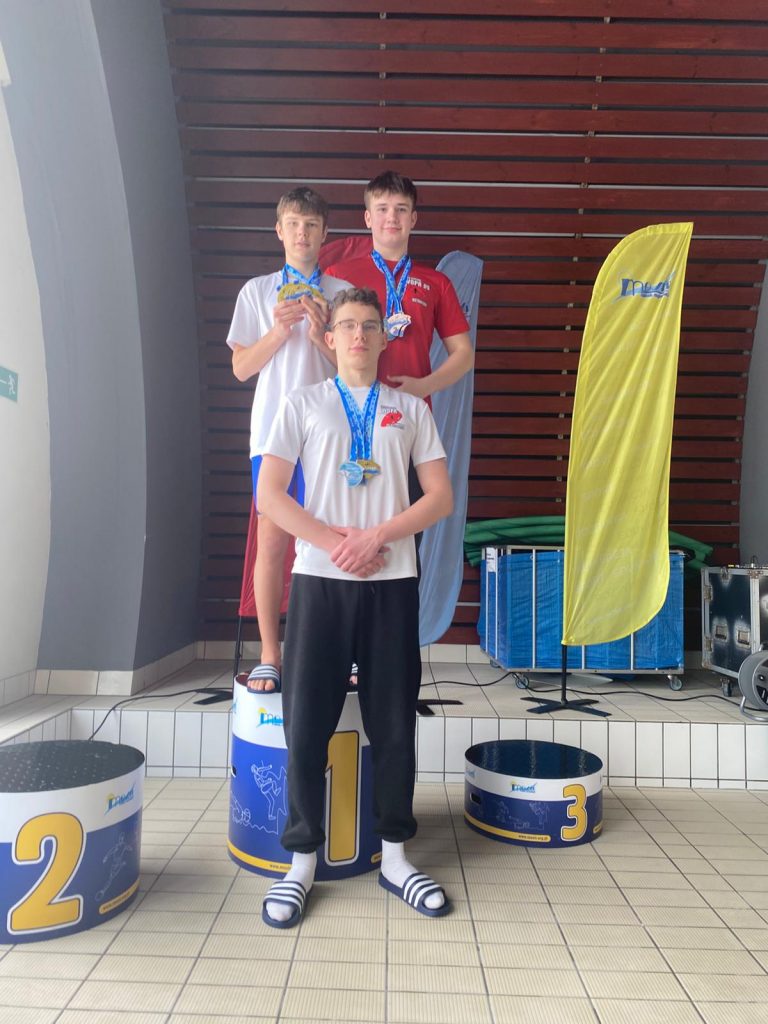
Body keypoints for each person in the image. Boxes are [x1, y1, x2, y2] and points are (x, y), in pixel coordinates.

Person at [256, 287, 453, 927]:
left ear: (384, 337)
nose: (359, 335)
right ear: (330, 337)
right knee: (305, 723)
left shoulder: (410, 409)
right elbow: (270, 495)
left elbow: (440, 497)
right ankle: (300, 862)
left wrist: (377, 538)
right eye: (347, 325)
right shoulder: (302, 403)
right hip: (320, 580)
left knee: (393, 723)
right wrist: (334, 542)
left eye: (370, 325)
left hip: (391, 582)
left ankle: (395, 856)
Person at [227, 187, 349, 693]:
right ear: (279, 231)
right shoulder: (257, 292)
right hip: (273, 436)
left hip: (329, 434)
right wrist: (278, 332)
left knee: (330, 542)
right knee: (273, 543)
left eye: (312, 225)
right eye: (294, 224)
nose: (303, 233)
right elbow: (240, 368)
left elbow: (355, 369)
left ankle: (330, 650)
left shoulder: (342, 292)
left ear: (324, 233)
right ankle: (270, 655)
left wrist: (323, 337)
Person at [324, 170, 474, 402]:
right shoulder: (337, 276)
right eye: (382, 209)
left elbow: (464, 354)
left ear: (413, 219)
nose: (392, 217)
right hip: (351, 407)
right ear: (368, 218)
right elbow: (323, 342)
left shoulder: (437, 283)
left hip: (412, 408)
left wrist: (424, 387)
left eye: (401, 209)